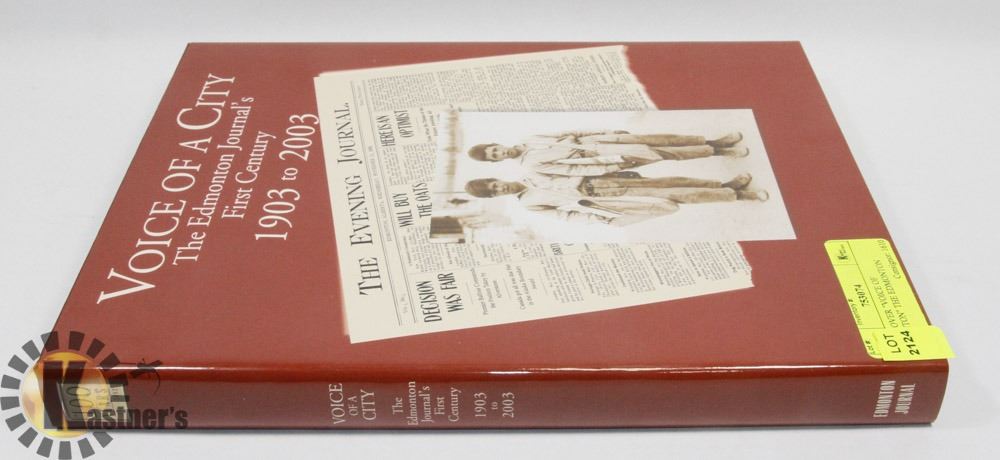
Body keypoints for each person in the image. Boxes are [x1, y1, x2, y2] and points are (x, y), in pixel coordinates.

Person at [463, 172, 767, 226]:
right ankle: (739, 195)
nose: (501, 188)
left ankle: (723, 186)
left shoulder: (530, 172)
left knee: (670, 181)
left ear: (496, 178)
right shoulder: (528, 202)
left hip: (602, 176)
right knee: (673, 196)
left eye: (495, 184)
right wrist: (600, 220)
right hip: (601, 197)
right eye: (495, 192)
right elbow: (565, 215)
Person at [467, 130, 747, 176]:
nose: (501, 152)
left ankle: (715, 141)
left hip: (601, 139)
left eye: (495, 148)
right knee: (663, 153)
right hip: (602, 156)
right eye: (496, 156)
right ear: (497, 162)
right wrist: (612, 165)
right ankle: (719, 152)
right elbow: (573, 169)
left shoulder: (529, 138)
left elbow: (572, 130)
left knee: (663, 138)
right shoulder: (531, 165)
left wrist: (606, 131)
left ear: (496, 143)